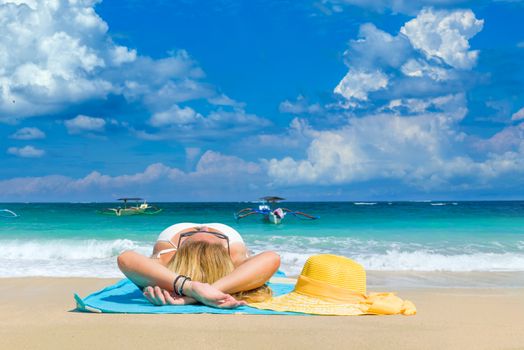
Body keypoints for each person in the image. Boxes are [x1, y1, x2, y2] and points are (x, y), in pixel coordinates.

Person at [117, 223, 280, 308]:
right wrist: (202, 291)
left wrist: (191, 292)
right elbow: (272, 258)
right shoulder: (233, 258)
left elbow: (125, 258)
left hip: (175, 233)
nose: (205, 228)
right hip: (226, 232)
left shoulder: (167, 259)